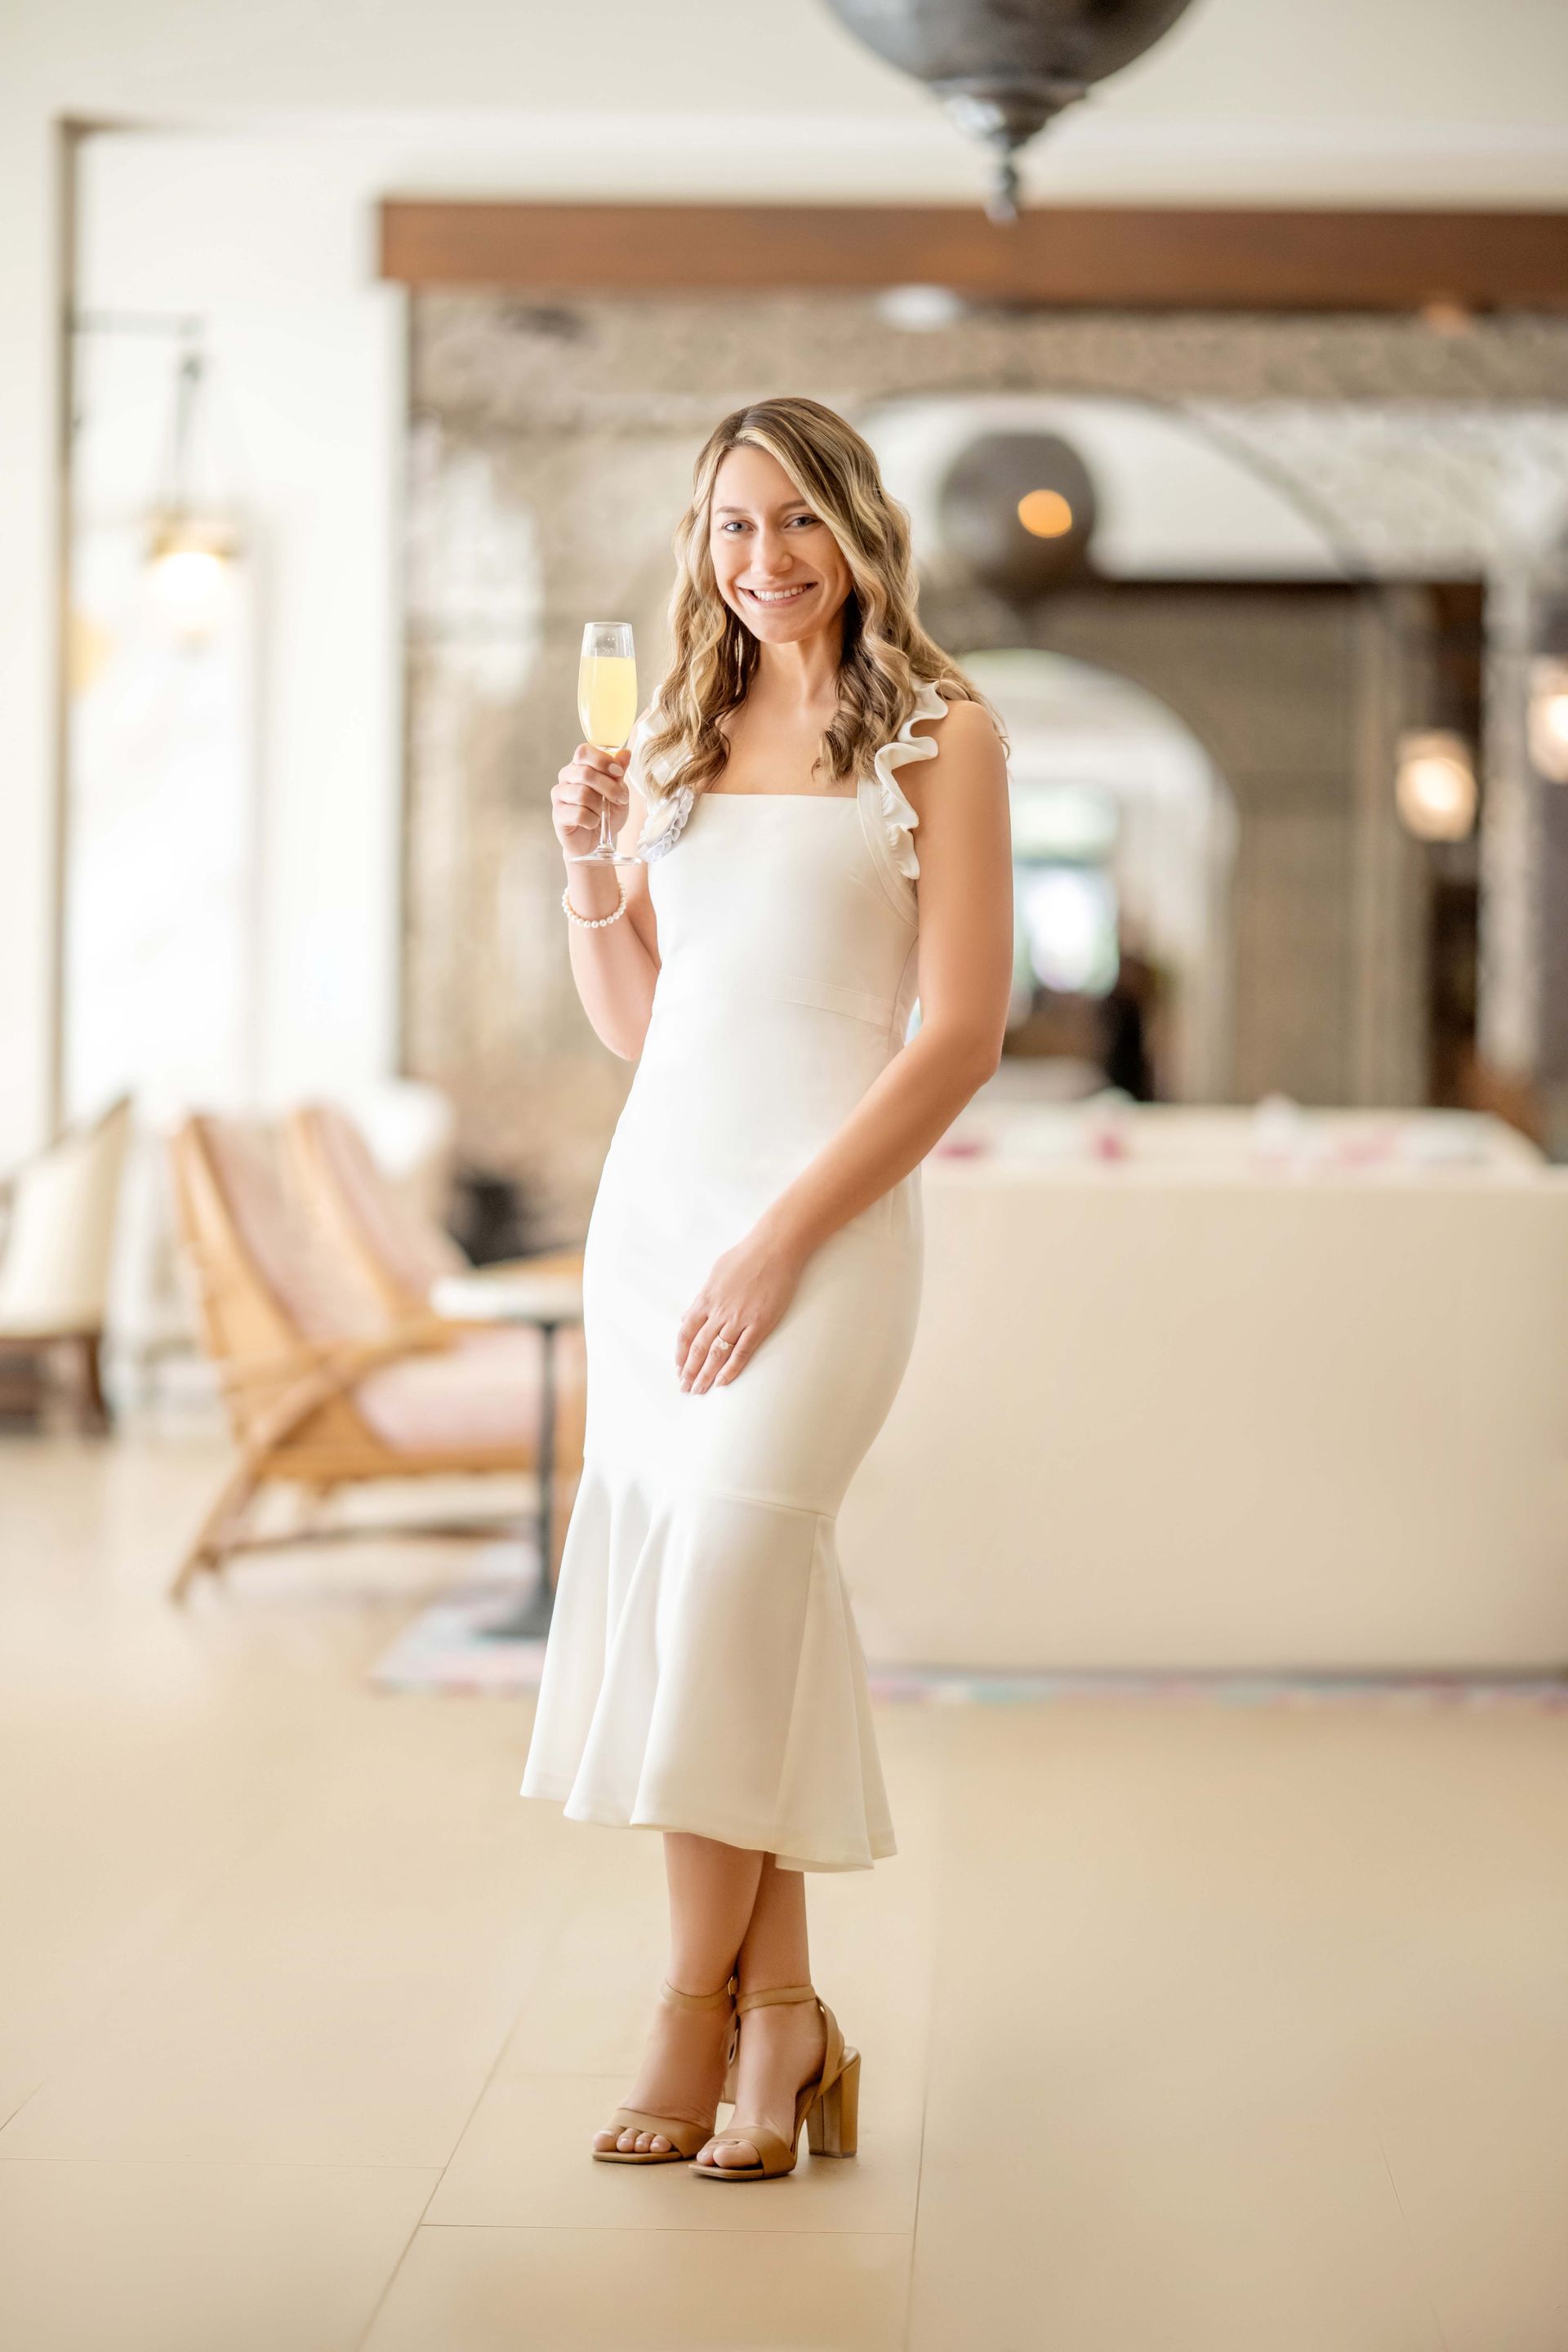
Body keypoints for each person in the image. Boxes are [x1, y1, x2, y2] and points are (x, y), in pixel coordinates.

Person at [522, 395, 1013, 2181]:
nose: (765, 560)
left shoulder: (944, 736)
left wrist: (785, 1235)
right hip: (659, 1219)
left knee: (735, 1568)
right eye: (733, 526)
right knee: (722, 1604)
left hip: (823, 1226)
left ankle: (688, 1997)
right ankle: (785, 2019)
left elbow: (959, 1038)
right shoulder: (679, 730)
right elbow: (654, 1035)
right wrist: (590, 873)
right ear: (700, 549)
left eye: (797, 521)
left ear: (860, 531)